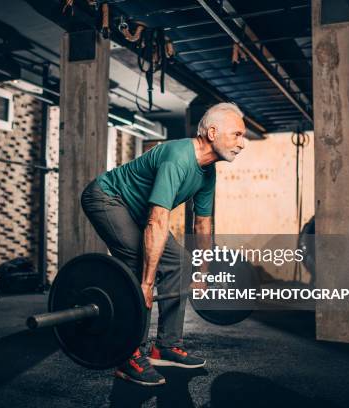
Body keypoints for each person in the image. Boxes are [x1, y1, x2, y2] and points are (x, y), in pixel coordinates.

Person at [80, 102, 246, 386]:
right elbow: (157, 220)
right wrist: (146, 283)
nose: (242, 144)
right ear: (212, 132)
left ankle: (166, 346)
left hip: (139, 210)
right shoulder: (178, 156)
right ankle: (128, 355)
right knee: (137, 262)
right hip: (107, 197)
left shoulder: (208, 171)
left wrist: (202, 272)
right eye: (237, 135)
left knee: (180, 262)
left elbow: (203, 224)